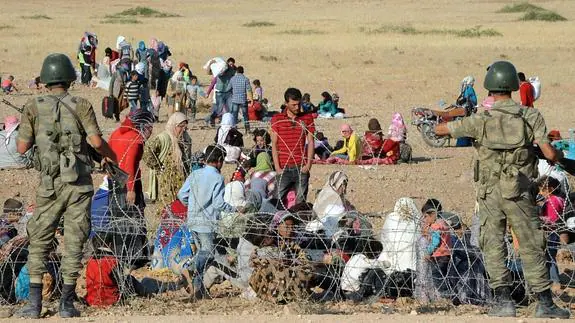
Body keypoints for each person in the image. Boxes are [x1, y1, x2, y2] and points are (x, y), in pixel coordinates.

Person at [433, 61, 569, 318]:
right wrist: (556, 155)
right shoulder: (530, 116)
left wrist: (437, 118)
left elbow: (442, 131)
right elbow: (550, 152)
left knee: (493, 244)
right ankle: (544, 303)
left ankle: (503, 302)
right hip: (519, 191)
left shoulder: (480, 119)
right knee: (531, 244)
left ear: (489, 88)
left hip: (489, 194)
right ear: (514, 87)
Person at [15, 53, 117, 318]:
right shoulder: (82, 104)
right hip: (78, 184)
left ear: (45, 79)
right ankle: (67, 304)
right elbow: (95, 142)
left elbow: (22, 147)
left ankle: (34, 305)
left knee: (39, 240)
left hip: (49, 185)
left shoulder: (32, 107)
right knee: (75, 241)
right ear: (70, 78)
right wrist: (110, 155)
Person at [177, 144, 238, 298]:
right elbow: (218, 204)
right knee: (208, 253)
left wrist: (191, 206)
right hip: (207, 223)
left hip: (193, 220)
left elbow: (181, 194)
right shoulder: (218, 177)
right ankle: (189, 268)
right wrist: (234, 209)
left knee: (202, 256)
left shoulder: (195, 174)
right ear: (218, 161)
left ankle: (198, 290)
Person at [270, 88, 315, 206]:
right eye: (293, 105)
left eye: (299, 104)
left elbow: (310, 141)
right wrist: (277, 167)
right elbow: (274, 144)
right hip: (284, 167)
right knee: (277, 201)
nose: (297, 107)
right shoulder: (277, 119)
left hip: (301, 167)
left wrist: (308, 165)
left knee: (300, 203)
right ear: (286, 103)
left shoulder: (307, 118)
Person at [143, 112, 191, 208]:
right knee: (166, 207)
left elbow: (187, 159)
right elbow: (147, 153)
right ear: (173, 125)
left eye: (185, 127)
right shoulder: (163, 138)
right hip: (165, 180)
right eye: (180, 126)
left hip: (181, 179)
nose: (183, 129)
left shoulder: (185, 139)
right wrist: (158, 167)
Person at [108, 110, 155, 209]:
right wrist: (131, 189)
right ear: (142, 125)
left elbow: (108, 156)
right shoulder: (135, 139)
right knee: (133, 216)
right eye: (149, 127)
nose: (151, 131)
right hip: (129, 181)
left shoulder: (115, 133)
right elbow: (129, 164)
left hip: (114, 178)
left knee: (117, 214)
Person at [537, 176, 564, 290]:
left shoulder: (551, 201)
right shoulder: (560, 199)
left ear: (551, 189)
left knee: (549, 257)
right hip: (556, 231)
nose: (541, 193)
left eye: (542, 190)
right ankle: (550, 279)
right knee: (550, 256)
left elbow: (550, 219)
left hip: (550, 232)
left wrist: (538, 219)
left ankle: (554, 280)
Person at [230, 66, 253, 132]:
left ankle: (234, 129)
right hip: (243, 100)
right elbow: (249, 90)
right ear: (243, 71)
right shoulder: (246, 79)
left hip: (235, 100)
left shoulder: (232, 79)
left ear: (237, 71)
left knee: (235, 115)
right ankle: (247, 130)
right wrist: (251, 100)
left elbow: (229, 88)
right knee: (245, 115)